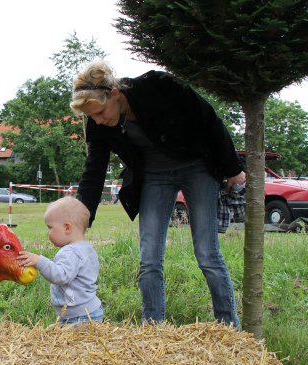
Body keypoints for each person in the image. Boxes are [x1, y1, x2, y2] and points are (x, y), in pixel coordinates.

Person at [71, 60, 244, 327]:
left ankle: (228, 326)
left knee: (207, 254)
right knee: (149, 258)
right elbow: (94, 170)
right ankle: (153, 329)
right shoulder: (98, 124)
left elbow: (208, 119)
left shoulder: (158, 85)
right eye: (92, 117)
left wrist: (233, 168)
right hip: (154, 177)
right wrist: (81, 217)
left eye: (101, 112)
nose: (99, 121)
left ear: (115, 93)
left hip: (196, 167)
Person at [17, 197, 103, 325]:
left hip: (79, 317)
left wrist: (39, 261)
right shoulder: (87, 248)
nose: (48, 233)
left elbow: (61, 275)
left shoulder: (71, 252)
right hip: (90, 310)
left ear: (67, 228)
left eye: (50, 227)